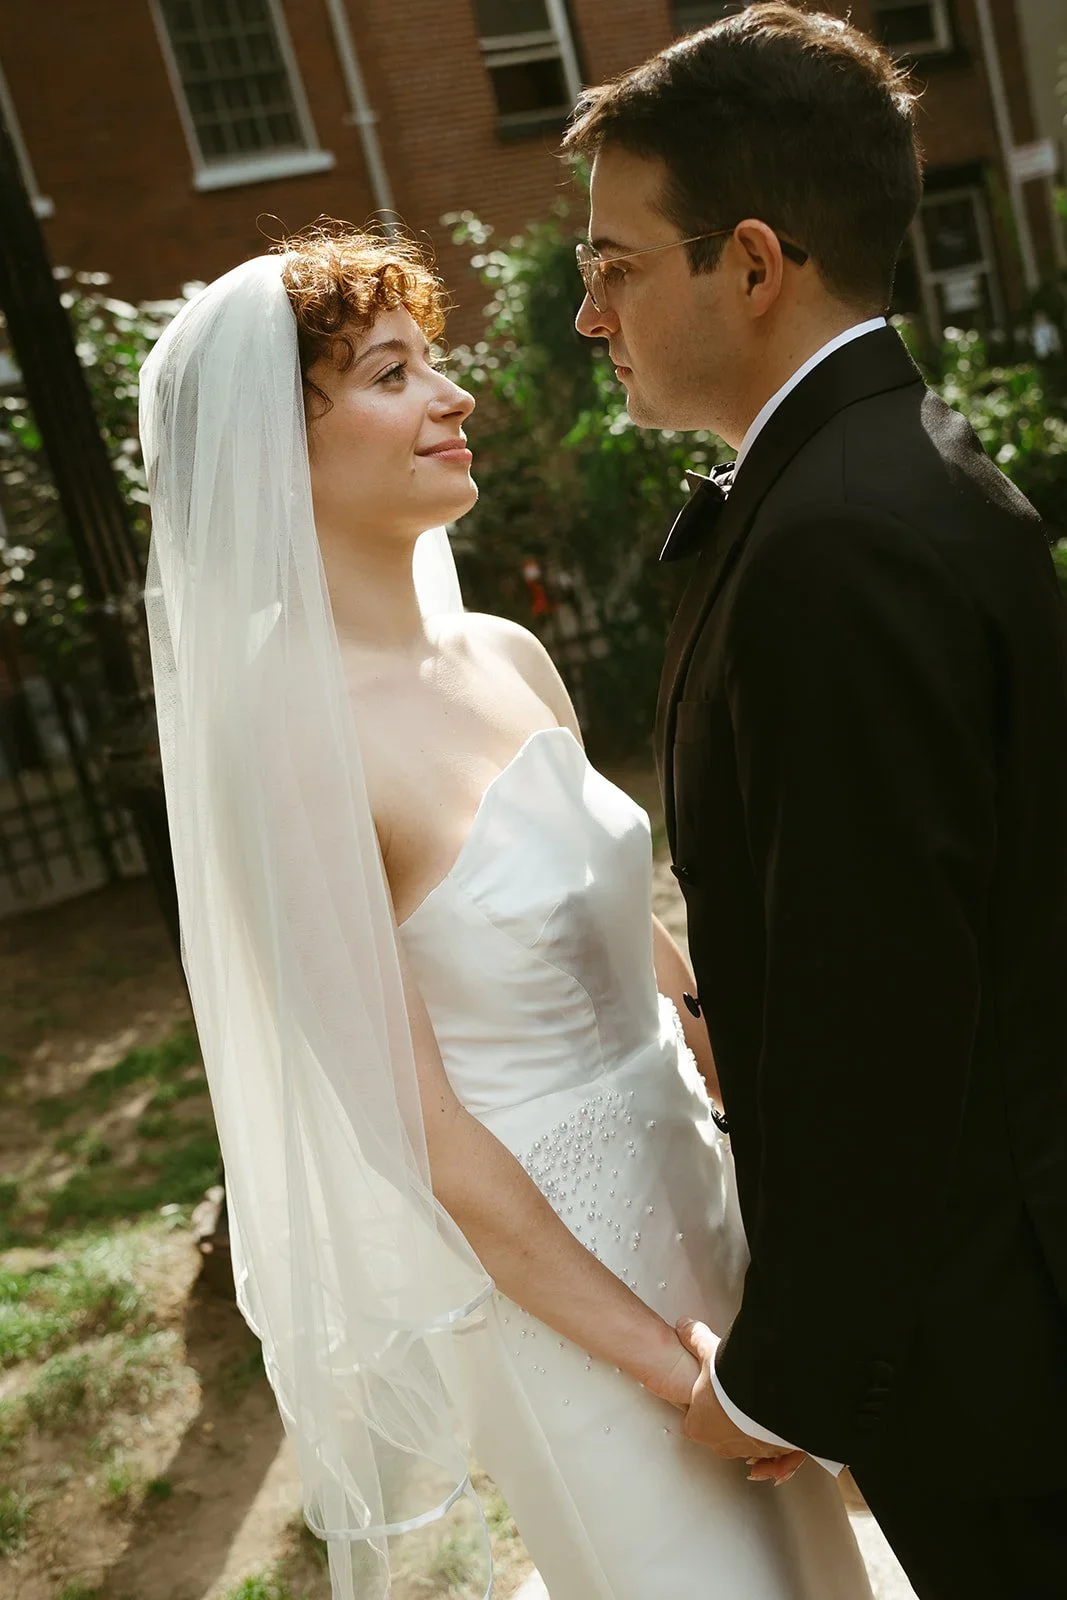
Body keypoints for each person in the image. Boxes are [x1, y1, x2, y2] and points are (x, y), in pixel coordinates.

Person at [139, 225, 871, 1600]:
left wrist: (760, 1125)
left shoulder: (504, 654)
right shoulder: (286, 745)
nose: (452, 395)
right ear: (267, 456)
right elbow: (422, 1138)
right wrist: (675, 1371)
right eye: (388, 373)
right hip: (567, 1307)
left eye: (437, 361)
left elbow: (619, 935)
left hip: (714, 1219)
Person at [567, 6, 1067, 1598]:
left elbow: (884, 1014)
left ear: (755, 261)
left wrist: (785, 1369)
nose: (589, 310)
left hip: (993, 1338)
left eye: (616, 264)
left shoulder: (841, 545)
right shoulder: (861, 479)